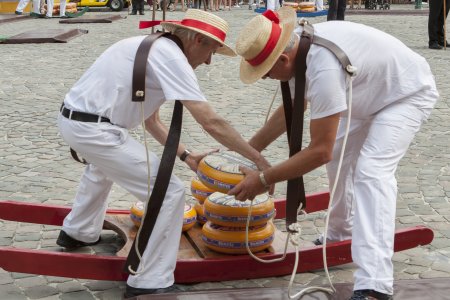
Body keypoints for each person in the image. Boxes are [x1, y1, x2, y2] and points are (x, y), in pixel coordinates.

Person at [56, 9, 271, 298]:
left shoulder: (153, 46)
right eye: (211, 51)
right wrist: (259, 160)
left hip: (82, 122)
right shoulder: (171, 57)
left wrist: (187, 156)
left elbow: (151, 120)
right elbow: (211, 121)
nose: (208, 61)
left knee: (102, 167)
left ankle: (77, 231)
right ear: (197, 40)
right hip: (94, 129)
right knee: (168, 191)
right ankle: (149, 280)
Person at [229, 8, 438, 300]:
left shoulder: (323, 66)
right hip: (362, 91)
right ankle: (341, 234)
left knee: (371, 171)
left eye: (264, 72)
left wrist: (263, 178)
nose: (264, 79)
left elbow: (319, 151)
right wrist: (249, 153)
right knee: (341, 156)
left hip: (404, 94)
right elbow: (292, 110)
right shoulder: (296, 48)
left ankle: (375, 282)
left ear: (283, 59)